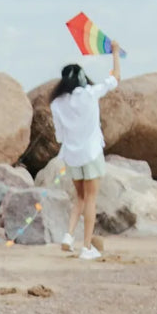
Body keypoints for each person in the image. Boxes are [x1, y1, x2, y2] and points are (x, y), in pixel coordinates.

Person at [49, 42, 122, 261]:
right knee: (90, 198)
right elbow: (115, 79)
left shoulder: (57, 103)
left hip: (71, 156)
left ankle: (69, 236)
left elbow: (59, 135)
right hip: (90, 153)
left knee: (79, 197)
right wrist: (115, 53)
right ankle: (86, 246)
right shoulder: (90, 94)